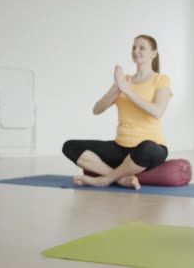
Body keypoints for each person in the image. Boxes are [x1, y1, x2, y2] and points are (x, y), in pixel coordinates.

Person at [62, 34, 172, 190]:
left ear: (153, 54)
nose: (136, 51)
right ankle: (120, 179)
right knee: (70, 146)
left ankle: (104, 180)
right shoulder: (124, 80)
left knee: (147, 148)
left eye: (142, 48)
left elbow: (158, 111)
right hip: (120, 147)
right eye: (133, 47)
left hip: (149, 148)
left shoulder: (161, 79)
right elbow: (97, 109)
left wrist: (127, 91)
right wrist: (116, 90)